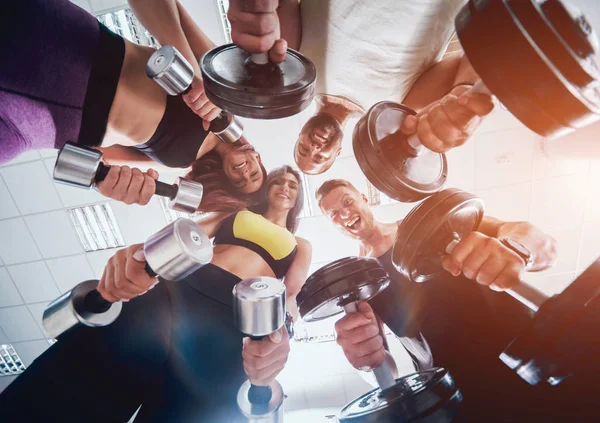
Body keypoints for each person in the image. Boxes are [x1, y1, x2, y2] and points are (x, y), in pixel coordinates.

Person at [0, 166, 312, 422]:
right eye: (279, 181)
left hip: (239, 322)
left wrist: (280, 335)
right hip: (181, 289)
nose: (285, 187)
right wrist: (143, 259)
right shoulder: (238, 212)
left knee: (191, 412)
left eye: (292, 185)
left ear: (297, 198)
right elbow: (187, 233)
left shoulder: (300, 243)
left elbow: (291, 293)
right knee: (91, 373)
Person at [313, 179, 596, 421]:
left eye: (347, 202)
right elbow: (385, 368)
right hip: (457, 398)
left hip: (535, 359)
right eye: (333, 214)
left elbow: (541, 243)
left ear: (364, 199)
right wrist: (363, 360)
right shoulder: (361, 281)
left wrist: (518, 250)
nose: (343, 214)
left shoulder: (433, 223)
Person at [0, 0, 266, 211]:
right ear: (258, 158)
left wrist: (106, 181)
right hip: (64, 46)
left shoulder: (181, 163)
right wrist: (195, 72)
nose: (244, 174)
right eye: (255, 174)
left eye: (239, 183)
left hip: (35, 128)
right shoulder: (228, 91)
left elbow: (103, 153)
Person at [226, 0, 495, 174]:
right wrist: (465, 94)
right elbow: (468, 60)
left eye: (304, 149)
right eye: (320, 157)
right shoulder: (395, 106)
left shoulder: (297, 71)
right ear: (338, 153)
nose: (315, 147)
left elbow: (277, 7)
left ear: (300, 135)